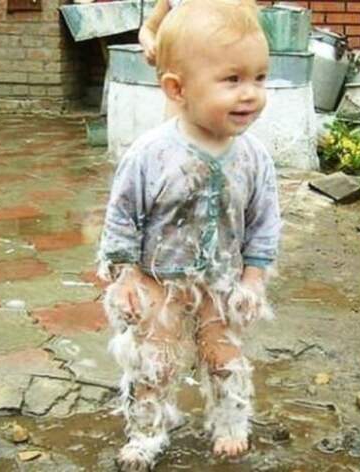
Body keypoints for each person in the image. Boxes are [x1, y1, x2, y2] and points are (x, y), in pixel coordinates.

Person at [98, 0, 281, 469]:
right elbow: (122, 218)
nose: (251, 94)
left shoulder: (254, 158)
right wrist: (126, 275)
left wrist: (254, 279)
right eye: (232, 79)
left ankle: (230, 422)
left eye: (260, 78)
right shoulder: (150, 154)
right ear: (177, 89)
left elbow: (263, 224)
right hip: (159, 278)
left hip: (221, 282)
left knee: (223, 357)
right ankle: (147, 431)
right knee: (153, 362)